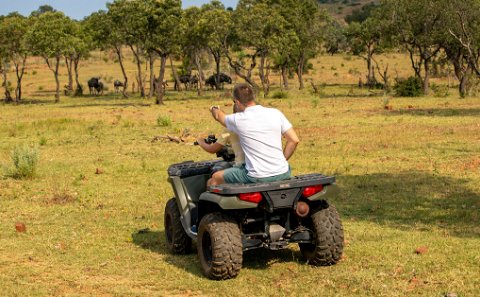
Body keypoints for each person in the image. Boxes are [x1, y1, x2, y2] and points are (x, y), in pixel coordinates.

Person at [208, 83, 299, 186]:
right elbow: (294, 140)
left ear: (237, 102)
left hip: (256, 175)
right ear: (253, 97)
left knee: (215, 178)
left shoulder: (238, 119)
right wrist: (281, 161)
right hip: (283, 172)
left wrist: (214, 108)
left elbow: (218, 116)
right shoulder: (276, 113)